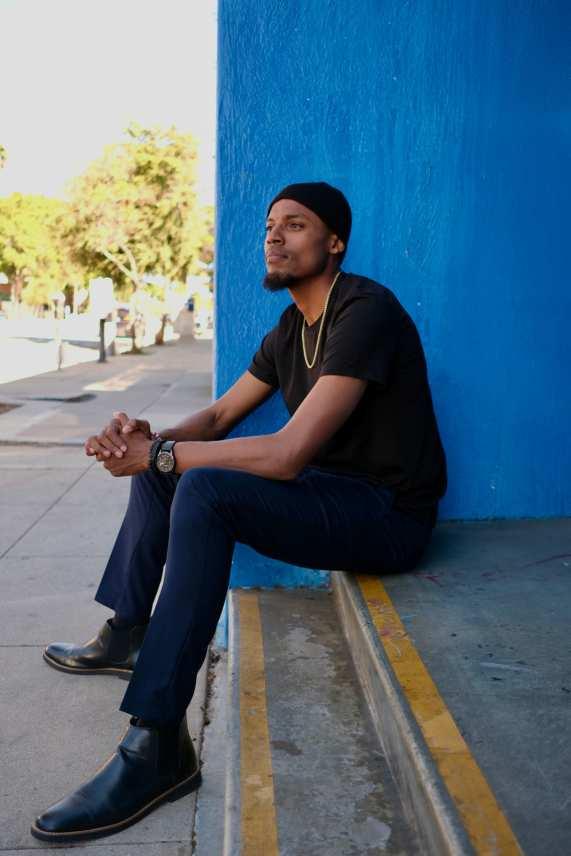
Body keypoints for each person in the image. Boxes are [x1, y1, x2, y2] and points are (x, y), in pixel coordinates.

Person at [31, 181, 447, 843]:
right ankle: (128, 632)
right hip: (329, 493)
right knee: (173, 463)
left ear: (334, 243)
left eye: (296, 225)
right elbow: (222, 415)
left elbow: (287, 453)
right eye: (269, 226)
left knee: (198, 481)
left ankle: (156, 744)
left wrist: (160, 456)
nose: (274, 236)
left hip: (387, 516)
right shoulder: (289, 329)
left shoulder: (364, 311)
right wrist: (147, 440)